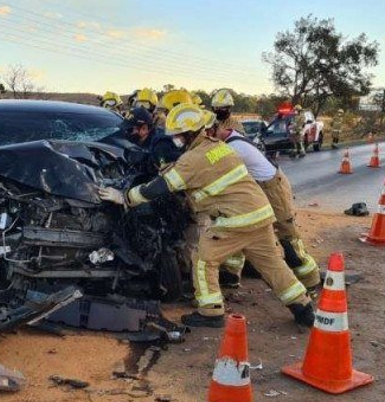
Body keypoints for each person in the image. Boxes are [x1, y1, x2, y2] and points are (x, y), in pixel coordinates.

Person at [98, 104, 316, 329]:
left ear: (189, 133)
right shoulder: (219, 147)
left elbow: (161, 186)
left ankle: (210, 311)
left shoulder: (193, 159)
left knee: (203, 260)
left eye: (178, 136)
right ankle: (303, 307)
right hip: (259, 213)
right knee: (272, 263)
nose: (175, 140)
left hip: (234, 220)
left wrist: (124, 197)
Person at [212, 120, 321, 291]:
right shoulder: (233, 138)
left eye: (210, 132)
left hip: (272, 188)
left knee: (287, 236)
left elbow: (211, 167)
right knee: (238, 227)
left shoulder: (233, 148)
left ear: (221, 129)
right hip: (258, 187)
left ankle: (311, 281)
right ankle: (230, 276)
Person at [125, 107, 182, 171]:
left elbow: (168, 175)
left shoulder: (160, 147)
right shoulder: (142, 142)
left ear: (144, 128)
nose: (126, 132)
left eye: (129, 130)